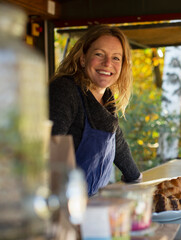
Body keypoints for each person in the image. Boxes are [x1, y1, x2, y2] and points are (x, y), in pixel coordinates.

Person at [49, 25, 142, 196]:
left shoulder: (106, 97)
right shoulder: (65, 90)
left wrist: (136, 179)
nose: (107, 64)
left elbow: (117, 143)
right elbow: (51, 148)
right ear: (83, 58)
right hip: (61, 204)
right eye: (99, 54)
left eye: (116, 58)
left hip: (92, 203)